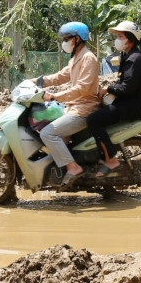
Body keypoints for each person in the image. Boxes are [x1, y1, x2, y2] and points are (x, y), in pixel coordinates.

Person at [37, 21, 101, 186]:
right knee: (44, 123)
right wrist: (37, 81)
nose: (64, 42)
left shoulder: (89, 59)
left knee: (47, 134)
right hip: (72, 107)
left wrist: (56, 96)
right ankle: (60, 170)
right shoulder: (76, 59)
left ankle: (73, 168)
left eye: (67, 38)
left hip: (83, 110)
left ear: (78, 39)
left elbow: (82, 88)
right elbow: (59, 76)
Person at [86, 21, 141, 175]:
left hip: (131, 106)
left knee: (93, 120)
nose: (117, 40)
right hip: (129, 102)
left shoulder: (134, 59)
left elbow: (127, 87)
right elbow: (125, 84)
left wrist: (109, 88)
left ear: (130, 38)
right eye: (116, 36)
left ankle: (110, 159)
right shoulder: (129, 56)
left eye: (120, 36)